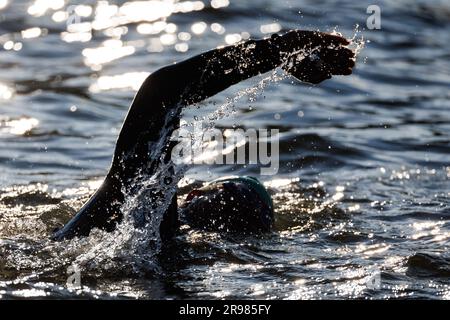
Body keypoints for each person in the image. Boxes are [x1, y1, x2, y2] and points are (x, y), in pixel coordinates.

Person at [51, 30, 355, 241]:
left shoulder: (137, 209)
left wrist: (275, 50)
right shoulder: (174, 255)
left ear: (194, 194)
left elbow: (161, 91)